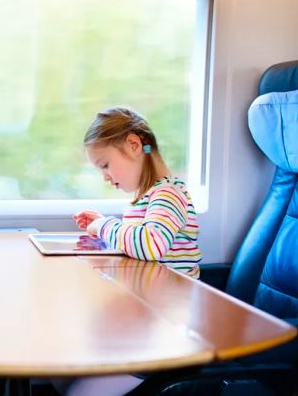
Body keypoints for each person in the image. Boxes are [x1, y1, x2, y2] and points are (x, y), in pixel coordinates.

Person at [60, 107, 202, 396]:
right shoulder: (144, 200)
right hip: (144, 322)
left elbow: (150, 244)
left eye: (105, 165)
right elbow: (136, 244)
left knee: (77, 391)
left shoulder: (168, 194)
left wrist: (104, 226)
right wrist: (104, 231)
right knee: (61, 375)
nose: (105, 177)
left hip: (164, 332)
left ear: (134, 146)